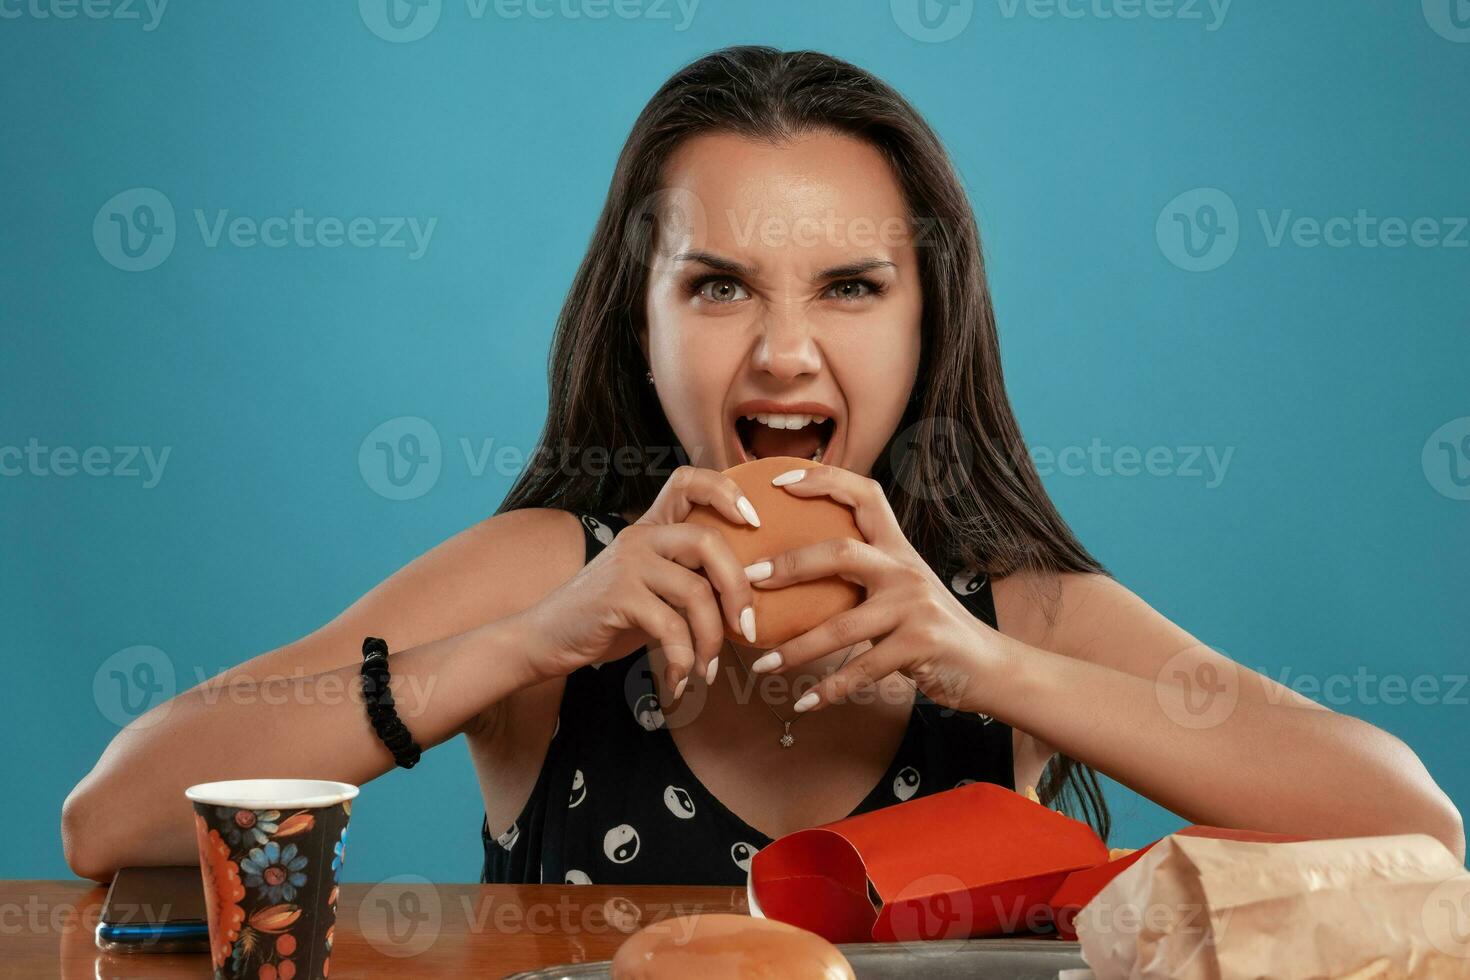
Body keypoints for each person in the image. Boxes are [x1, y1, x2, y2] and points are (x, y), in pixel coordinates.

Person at [62, 46, 1464, 887]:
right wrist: (512, 649)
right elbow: (111, 816)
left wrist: (989, 672)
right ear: (645, 321)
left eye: (849, 288)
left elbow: (1408, 827)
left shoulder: (1005, 607)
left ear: (929, 324)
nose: (785, 357)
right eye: (720, 287)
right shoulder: (551, 573)